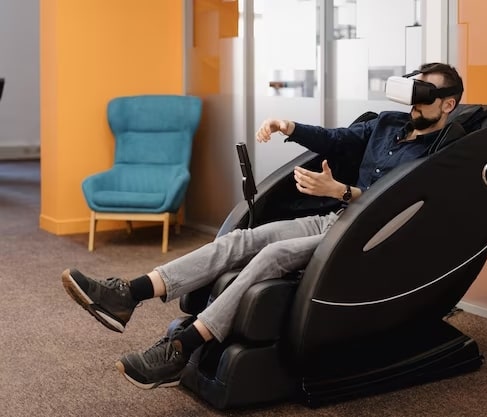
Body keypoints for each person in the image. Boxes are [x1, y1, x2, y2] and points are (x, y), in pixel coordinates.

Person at [61, 62, 464, 390]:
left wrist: (340, 190)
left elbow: (394, 205)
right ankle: (127, 294)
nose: (416, 100)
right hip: (332, 220)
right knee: (241, 240)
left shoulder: (438, 153)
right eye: (415, 89)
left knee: (273, 255)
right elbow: (337, 138)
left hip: (364, 237)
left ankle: (182, 347)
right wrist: (289, 126)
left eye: (426, 94)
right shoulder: (388, 124)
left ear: (448, 104)